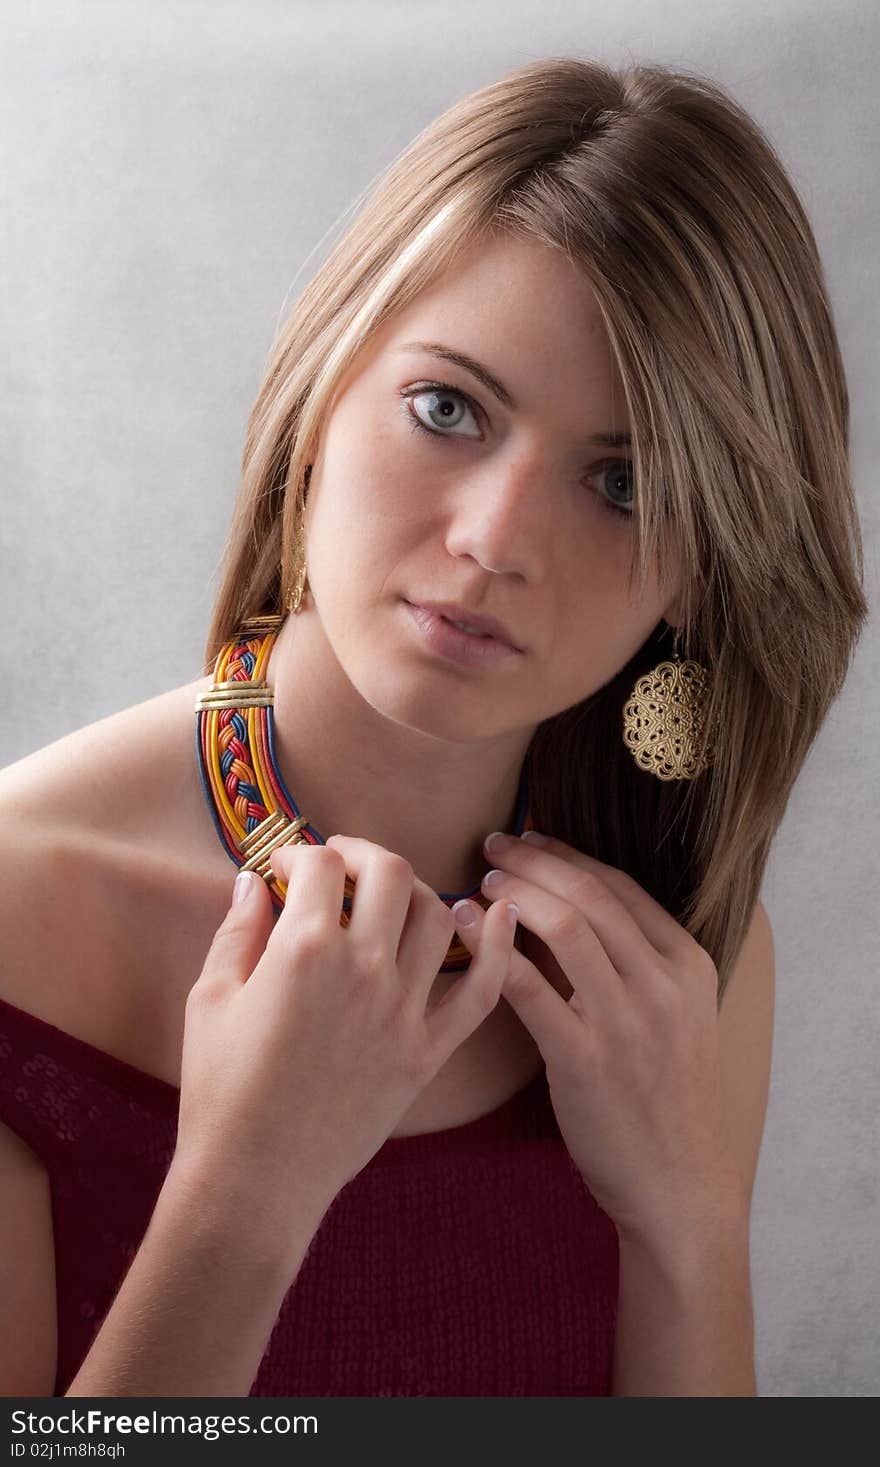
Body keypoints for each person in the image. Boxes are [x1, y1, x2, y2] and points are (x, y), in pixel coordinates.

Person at [0, 55, 867, 1399]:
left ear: (706, 568)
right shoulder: (19, 912)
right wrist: (245, 1196)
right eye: (448, 408)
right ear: (318, 406)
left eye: (623, 484)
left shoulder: (676, 961)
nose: (495, 540)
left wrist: (687, 1237)